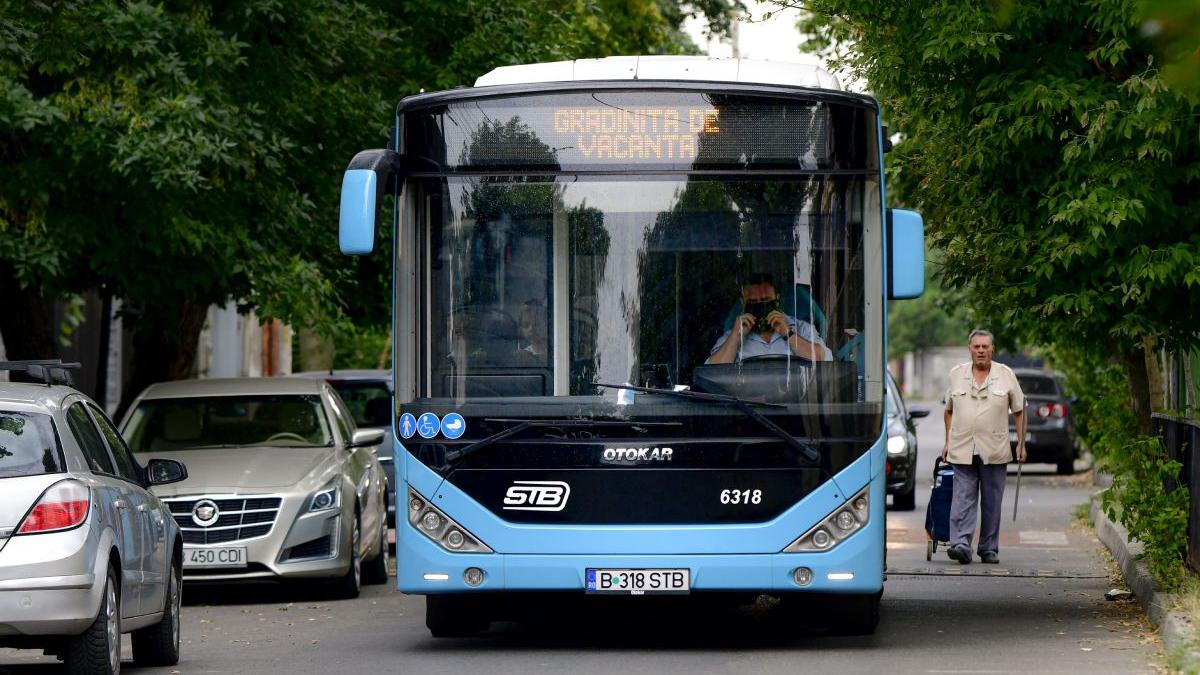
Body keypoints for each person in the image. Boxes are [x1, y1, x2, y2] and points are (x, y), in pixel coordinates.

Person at [940, 329, 1027, 565]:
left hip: (995, 449)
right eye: (976, 346)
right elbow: (948, 410)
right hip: (962, 447)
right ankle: (960, 545)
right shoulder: (956, 374)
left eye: (985, 347)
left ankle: (988, 548)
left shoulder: (1006, 374)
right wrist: (947, 442)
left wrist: (1021, 443)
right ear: (970, 349)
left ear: (992, 349)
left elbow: (1019, 410)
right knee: (962, 499)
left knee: (992, 502)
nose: (980, 351)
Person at [706, 273, 832, 364]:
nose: (761, 307)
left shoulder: (802, 329)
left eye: (766, 301)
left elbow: (824, 359)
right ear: (743, 303)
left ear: (777, 300)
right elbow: (712, 372)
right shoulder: (733, 335)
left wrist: (788, 334)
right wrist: (735, 337)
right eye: (753, 302)